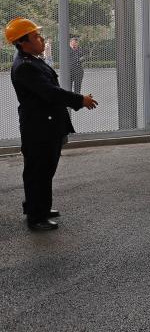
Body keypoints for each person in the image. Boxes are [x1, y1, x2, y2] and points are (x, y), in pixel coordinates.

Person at [5, 17, 98, 232]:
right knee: (40, 170)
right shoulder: (26, 66)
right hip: (40, 128)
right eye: (36, 36)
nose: (41, 39)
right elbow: (50, 92)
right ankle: (37, 217)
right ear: (23, 42)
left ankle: (37, 208)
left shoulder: (31, 60)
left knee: (41, 170)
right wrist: (80, 100)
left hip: (43, 125)